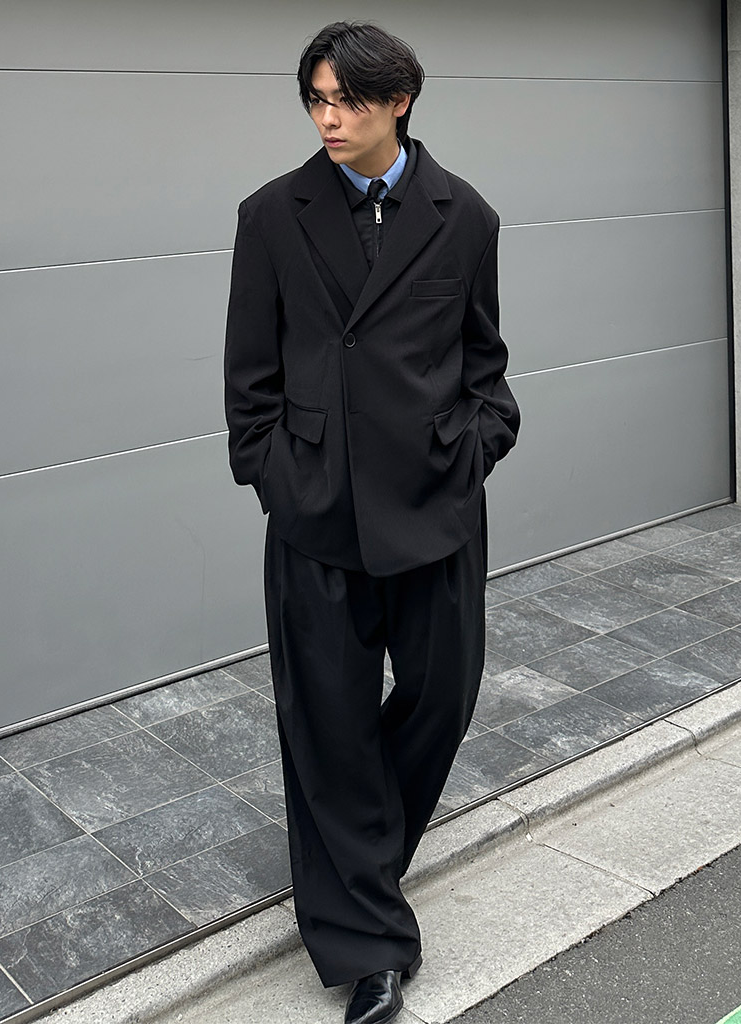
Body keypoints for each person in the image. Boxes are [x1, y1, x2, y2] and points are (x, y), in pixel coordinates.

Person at [224, 21, 520, 1024]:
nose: (327, 118)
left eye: (346, 99)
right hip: (317, 514)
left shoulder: (465, 215)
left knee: (442, 695)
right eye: (315, 99)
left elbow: (486, 366)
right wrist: (275, 473)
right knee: (328, 725)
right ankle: (371, 945)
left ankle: (350, 860)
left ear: (400, 100)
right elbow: (249, 378)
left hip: (436, 506)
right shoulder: (272, 215)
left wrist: (475, 444)